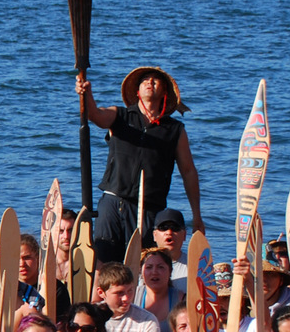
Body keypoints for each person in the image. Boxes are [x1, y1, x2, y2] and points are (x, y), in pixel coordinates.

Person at [75, 65, 203, 262]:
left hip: (150, 209)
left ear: (165, 92)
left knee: (142, 266)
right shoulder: (120, 116)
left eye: (155, 80)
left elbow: (188, 172)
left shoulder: (175, 130)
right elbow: (96, 116)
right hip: (113, 202)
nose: (150, 82)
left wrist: (197, 216)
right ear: (137, 91)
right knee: (105, 263)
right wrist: (86, 94)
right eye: (145, 80)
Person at [151, 208, 190, 299]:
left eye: (175, 228)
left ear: (184, 235)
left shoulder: (196, 267)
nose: (169, 232)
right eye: (163, 228)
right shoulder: (144, 266)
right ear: (154, 235)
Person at [138, 246, 176, 328]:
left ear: (170, 271)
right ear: (141, 271)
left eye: (160, 267)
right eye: (149, 267)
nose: (154, 272)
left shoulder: (182, 300)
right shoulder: (132, 296)